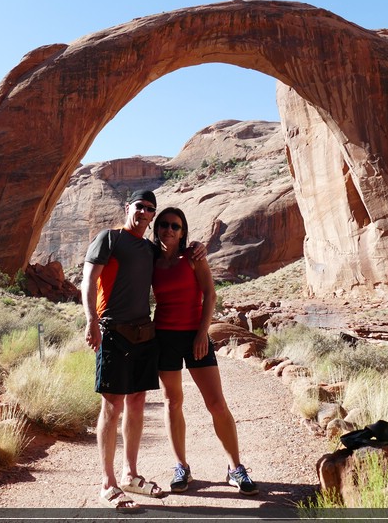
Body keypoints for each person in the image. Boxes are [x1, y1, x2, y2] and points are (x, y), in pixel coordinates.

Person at [151, 206, 259, 496]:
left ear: (183, 231)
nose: (169, 230)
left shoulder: (193, 257)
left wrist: (202, 333)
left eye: (175, 226)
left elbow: (210, 294)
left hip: (194, 336)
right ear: (157, 227)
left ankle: (235, 467)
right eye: (164, 224)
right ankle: (181, 466)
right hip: (164, 337)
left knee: (216, 404)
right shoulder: (152, 260)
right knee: (172, 402)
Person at [81, 189, 165, 510]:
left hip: (144, 332)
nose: (144, 213)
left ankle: (130, 474)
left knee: (138, 402)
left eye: (150, 209)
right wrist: (91, 320)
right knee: (112, 405)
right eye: (140, 206)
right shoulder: (110, 238)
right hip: (113, 331)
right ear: (128, 207)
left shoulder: (148, 248)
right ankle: (108, 482)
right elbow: (89, 279)